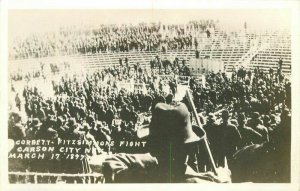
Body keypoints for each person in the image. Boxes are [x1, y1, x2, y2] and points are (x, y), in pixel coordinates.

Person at [101, 102, 231, 183]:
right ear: (187, 148)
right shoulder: (198, 183)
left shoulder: (140, 177)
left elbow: (110, 163)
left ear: (152, 145)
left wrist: (152, 161)